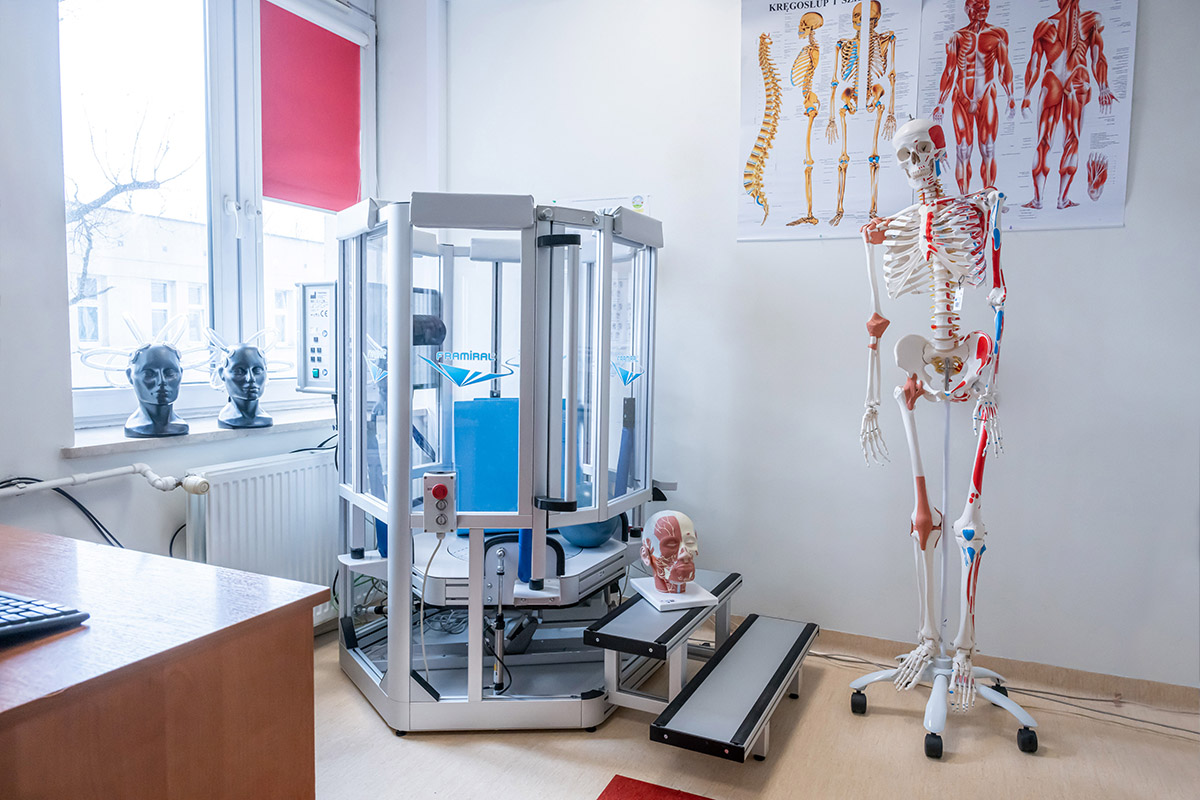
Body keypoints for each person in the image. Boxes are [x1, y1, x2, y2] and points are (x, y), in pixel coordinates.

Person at [124, 343, 189, 438]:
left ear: (181, 374)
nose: (161, 381)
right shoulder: (136, 426)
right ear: (130, 376)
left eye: (169, 373)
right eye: (149, 374)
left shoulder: (180, 425)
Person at [217, 344, 273, 428]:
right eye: (239, 371)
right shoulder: (227, 418)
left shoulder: (265, 418)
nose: (251, 378)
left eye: (257, 370)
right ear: (222, 374)